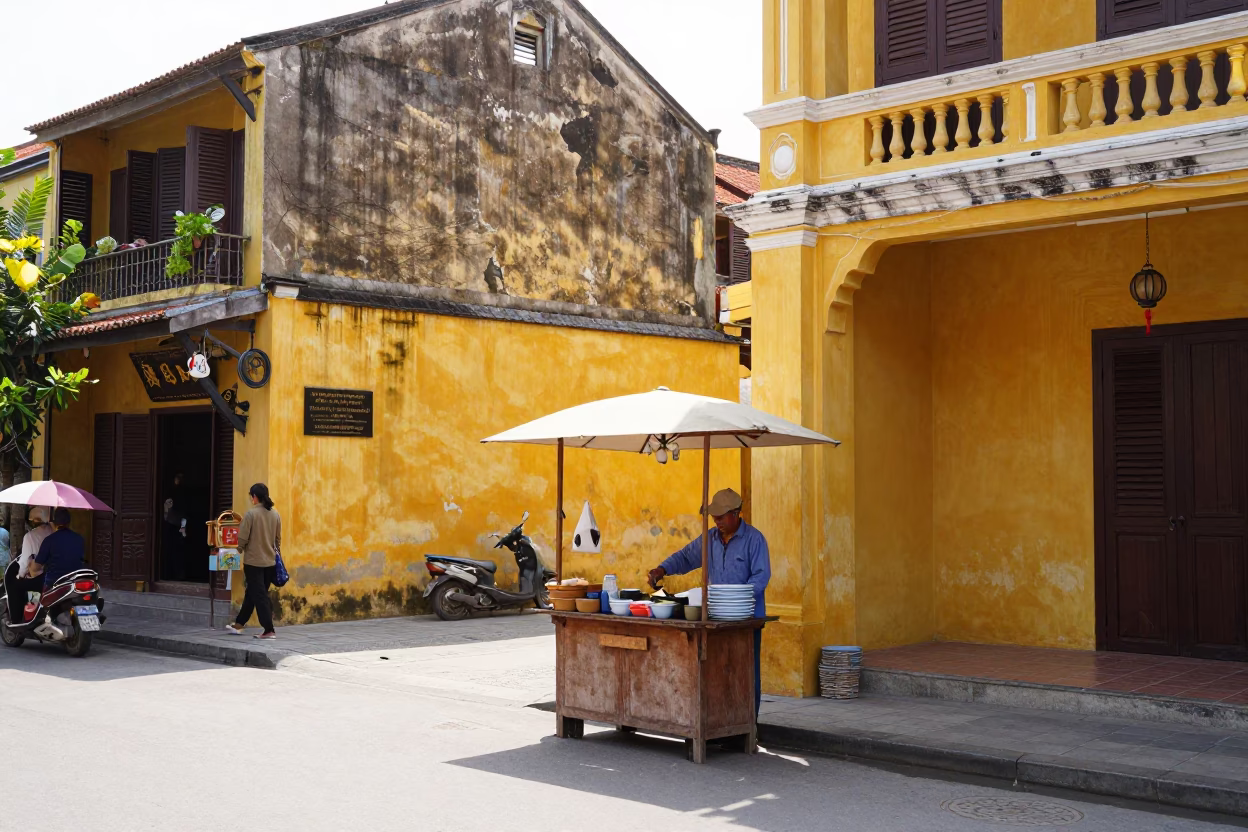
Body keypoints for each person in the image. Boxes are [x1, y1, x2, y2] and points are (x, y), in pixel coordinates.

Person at [648, 488, 771, 715]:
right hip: (716, 619)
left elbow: (761, 577)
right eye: (714, 517)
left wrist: (734, 597)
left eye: (721, 517)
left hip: (746, 619)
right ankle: (720, 722)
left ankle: (748, 724)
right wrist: (662, 568)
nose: (716, 521)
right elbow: (685, 557)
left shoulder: (755, 540)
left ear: (736, 514)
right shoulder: (710, 538)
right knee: (719, 672)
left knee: (745, 673)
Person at [225, 483, 281, 639]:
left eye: (251, 496)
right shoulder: (275, 515)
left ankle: (269, 629)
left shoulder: (250, 515)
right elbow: (278, 541)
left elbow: (242, 538)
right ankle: (239, 624)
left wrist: (236, 552)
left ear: (254, 497)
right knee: (252, 593)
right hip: (270, 563)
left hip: (253, 563)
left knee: (259, 596)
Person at [4, 508, 51, 625]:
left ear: (32, 521)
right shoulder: (53, 533)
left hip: (40, 575)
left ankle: (16, 620)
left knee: (16, 586)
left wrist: (19, 575)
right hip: (54, 573)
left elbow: (25, 560)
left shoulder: (30, 536)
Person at [32, 508, 86, 589]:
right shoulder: (79, 539)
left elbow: (37, 566)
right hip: (74, 581)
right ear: (69, 522)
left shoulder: (49, 540)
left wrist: (31, 561)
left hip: (53, 582)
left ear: (54, 523)